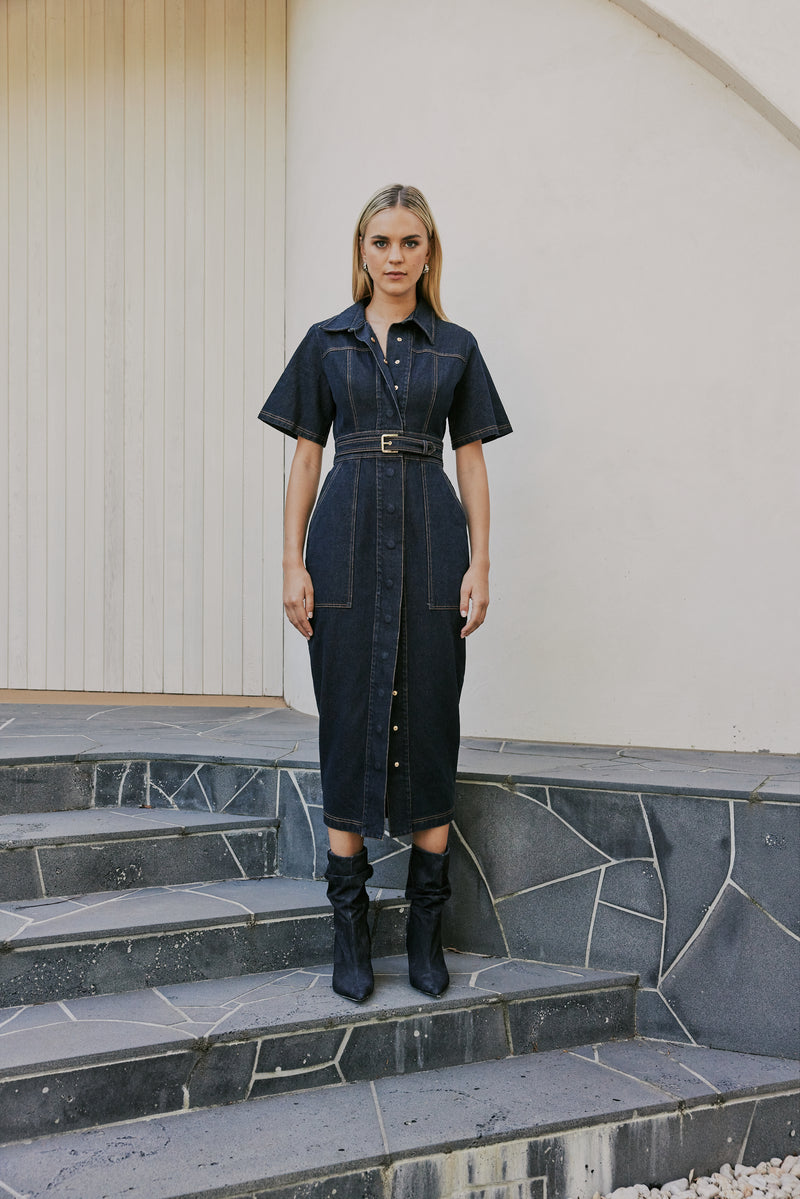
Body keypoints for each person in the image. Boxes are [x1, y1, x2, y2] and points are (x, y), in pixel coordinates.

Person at [258, 184, 511, 1004]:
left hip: (436, 544)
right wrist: (292, 563)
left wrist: (480, 562)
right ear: (361, 252)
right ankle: (350, 925)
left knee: (434, 716)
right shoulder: (325, 343)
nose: (395, 256)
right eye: (381, 242)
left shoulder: (458, 346)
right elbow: (304, 459)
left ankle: (426, 927)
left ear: (429, 251)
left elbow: (470, 459)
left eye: (410, 242)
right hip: (344, 543)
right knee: (348, 716)